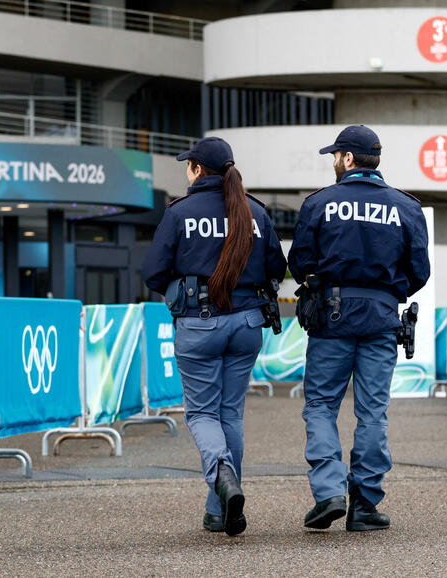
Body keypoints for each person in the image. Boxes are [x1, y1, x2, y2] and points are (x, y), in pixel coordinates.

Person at [141, 136, 287, 537]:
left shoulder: (180, 213)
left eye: (188, 166)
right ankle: (219, 510)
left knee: (202, 414)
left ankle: (222, 473)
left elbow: (153, 272)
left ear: (197, 170)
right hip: (247, 325)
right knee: (230, 414)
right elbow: (277, 267)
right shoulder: (256, 212)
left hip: (200, 323)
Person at [288, 125, 430, 532]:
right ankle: (364, 504)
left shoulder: (319, 203)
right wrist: (384, 293)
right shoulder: (405, 206)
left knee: (320, 405)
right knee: (372, 412)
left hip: (331, 318)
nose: (334, 161)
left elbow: (299, 263)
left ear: (348, 158)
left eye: (336, 155)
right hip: (382, 319)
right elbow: (419, 271)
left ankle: (329, 492)